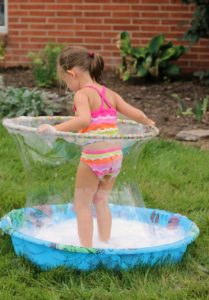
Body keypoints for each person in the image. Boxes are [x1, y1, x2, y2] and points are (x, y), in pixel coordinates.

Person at [38, 46, 155, 248]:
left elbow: (83, 121)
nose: (68, 86)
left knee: (81, 205)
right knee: (101, 200)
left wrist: (55, 129)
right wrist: (149, 123)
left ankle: (86, 249)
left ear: (72, 73)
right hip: (114, 157)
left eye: (66, 82)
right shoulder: (110, 94)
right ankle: (105, 241)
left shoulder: (82, 95)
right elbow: (136, 114)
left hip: (94, 158)